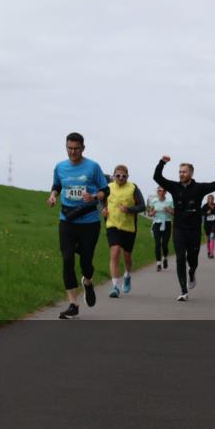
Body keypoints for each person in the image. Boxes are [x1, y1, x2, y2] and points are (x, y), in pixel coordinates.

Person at [48, 132, 109, 319]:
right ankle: (73, 304)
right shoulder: (60, 167)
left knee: (86, 262)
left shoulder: (93, 166)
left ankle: (88, 281)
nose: (72, 152)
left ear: (83, 148)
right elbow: (57, 185)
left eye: (76, 148)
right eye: (69, 148)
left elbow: (106, 189)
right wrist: (52, 195)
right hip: (67, 220)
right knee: (67, 259)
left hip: (89, 221)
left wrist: (95, 197)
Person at [153, 156, 215, 301]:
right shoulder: (174, 187)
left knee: (192, 260)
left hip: (194, 230)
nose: (181, 174)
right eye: (180, 172)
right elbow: (157, 177)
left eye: (184, 172)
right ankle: (183, 291)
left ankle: (192, 272)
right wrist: (162, 163)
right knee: (180, 258)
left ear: (191, 174)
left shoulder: (199, 188)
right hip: (179, 228)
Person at [102, 165, 146, 297]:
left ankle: (127, 274)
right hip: (112, 225)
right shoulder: (108, 188)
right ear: (113, 176)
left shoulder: (133, 188)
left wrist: (129, 210)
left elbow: (142, 206)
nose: (121, 178)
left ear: (127, 176)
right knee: (115, 253)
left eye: (124, 176)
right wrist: (102, 209)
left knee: (127, 257)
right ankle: (115, 286)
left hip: (128, 227)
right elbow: (99, 201)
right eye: (118, 175)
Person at [148, 187, 174, 271]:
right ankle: (158, 263)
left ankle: (165, 258)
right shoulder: (154, 201)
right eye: (160, 190)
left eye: (163, 190)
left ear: (166, 192)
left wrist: (169, 210)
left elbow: (174, 213)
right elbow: (150, 213)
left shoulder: (169, 202)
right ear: (157, 192)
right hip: (157, 223)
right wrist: (153, 213)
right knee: (157, 243)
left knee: (165, 244)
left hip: (167, 223)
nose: (161, 192)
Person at [201, 195, 215, 259]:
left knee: (212, 236)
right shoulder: (205, 206)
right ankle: (209, 251)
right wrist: (207, 213)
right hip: (207, 224)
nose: (210, 200)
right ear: (207, 199)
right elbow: (201, 213)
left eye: (211, 199)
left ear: (213, 199)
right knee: (208, 239)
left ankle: (212, 253)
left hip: (214, 223)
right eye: (209, 199)